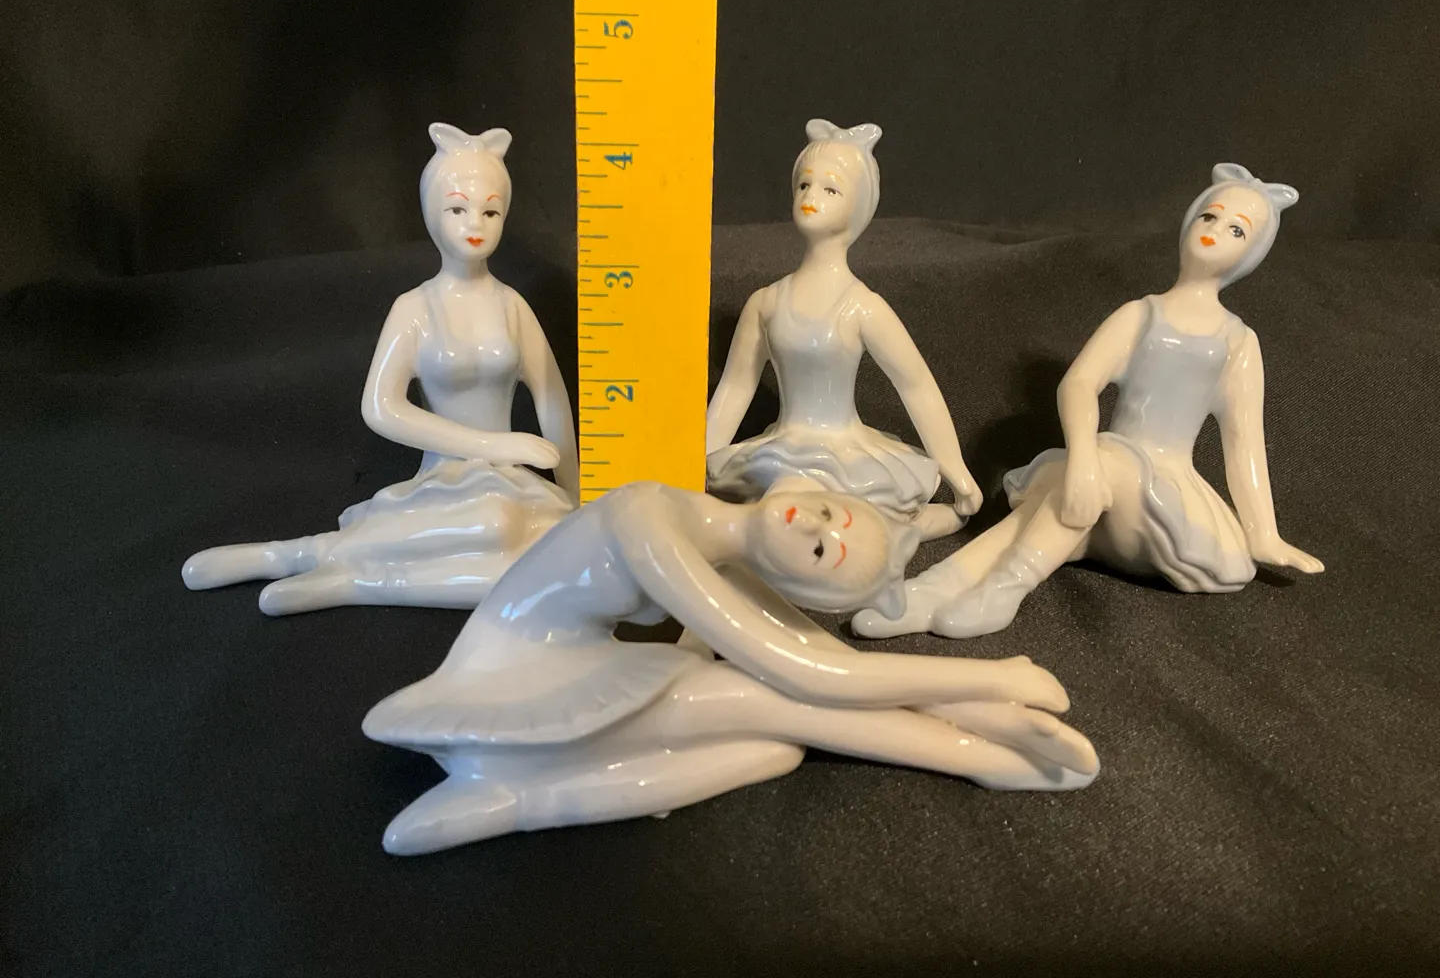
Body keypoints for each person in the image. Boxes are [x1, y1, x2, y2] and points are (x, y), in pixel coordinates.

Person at [364, 481, 1098, 855]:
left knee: (776, 733)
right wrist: (990, 677)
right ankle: (979, 763)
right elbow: (810, 682)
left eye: (821, 551)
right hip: (520, 693)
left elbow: (828, 659)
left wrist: (985, 709)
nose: (811, 524)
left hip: (573, 671)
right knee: (773, 706)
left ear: (803, 584)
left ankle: (987, 748)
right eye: (832, 515)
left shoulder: (713, 547)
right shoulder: (651, 522)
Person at [854, 163, 1324, 640]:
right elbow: (1078, 385)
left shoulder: (1237, 342)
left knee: (1100, 465)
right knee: (1051, 500)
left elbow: (1244, 442)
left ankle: (1005, 587)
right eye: (1209, 216)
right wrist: (1081, 461)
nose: (1215, 230)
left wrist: (1263, 533)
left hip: (1161, 513)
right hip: (1096, 492)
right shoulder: (1140, 314)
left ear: (1251, 253)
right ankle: (931, 589)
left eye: (1237, 229)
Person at [182, 123, 578, 615]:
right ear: (432, 213)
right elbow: (381, 407)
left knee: (550, 556)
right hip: (449, 477)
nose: (474, 223)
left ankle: (358, 583)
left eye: (490, 211)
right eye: (457, 209)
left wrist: (577, 494)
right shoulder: (415, 308)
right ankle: (290, 554)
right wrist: (495, 446)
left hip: (514, 486)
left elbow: (551, 398)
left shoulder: (511, 305)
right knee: (493, 526)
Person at [706, 119, 979, 541]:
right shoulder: (765, 303)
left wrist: (955, 469)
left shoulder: (863, 307)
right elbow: (736, 386)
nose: (810, 197)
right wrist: (698, 461)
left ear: (858, 206)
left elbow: (916, 386)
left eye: (830, 189)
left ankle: (914, 528)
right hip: (782, 453)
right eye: (804, 185)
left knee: (851, 525)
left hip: (846, 456)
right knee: (777, 516)